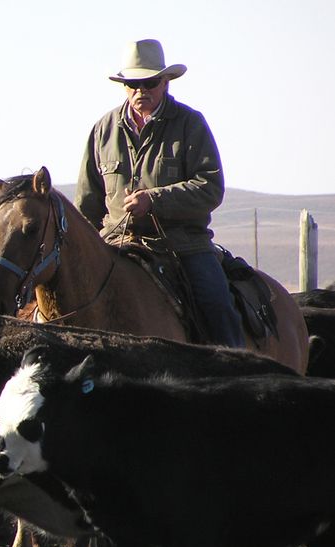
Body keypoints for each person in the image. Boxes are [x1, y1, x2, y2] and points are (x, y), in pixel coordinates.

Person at [75, 38, 245, 348]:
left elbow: (210, 186)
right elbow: (87, 203)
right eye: (132, 84)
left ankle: (239, 377)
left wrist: (154, 200)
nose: (141, 90)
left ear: (165, 82)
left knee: (218, 307)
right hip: (115, 245)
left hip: (182, 246)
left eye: (149, 82)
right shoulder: (103, 130)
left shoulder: (189, 124)